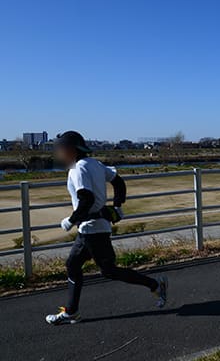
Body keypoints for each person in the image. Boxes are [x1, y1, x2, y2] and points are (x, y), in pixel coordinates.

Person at [45, 131, 168, 325]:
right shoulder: (95, 164)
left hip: (91, 229)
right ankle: (71, 311)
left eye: (60, 149)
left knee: (105, 270)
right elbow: (118, 182)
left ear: (70, 150)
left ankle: (155, 284)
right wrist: (117, 205)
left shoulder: (78, 169)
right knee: (76, 266)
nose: (59, 154)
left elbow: (87, 199)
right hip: (94, 227)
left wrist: (70, 220)